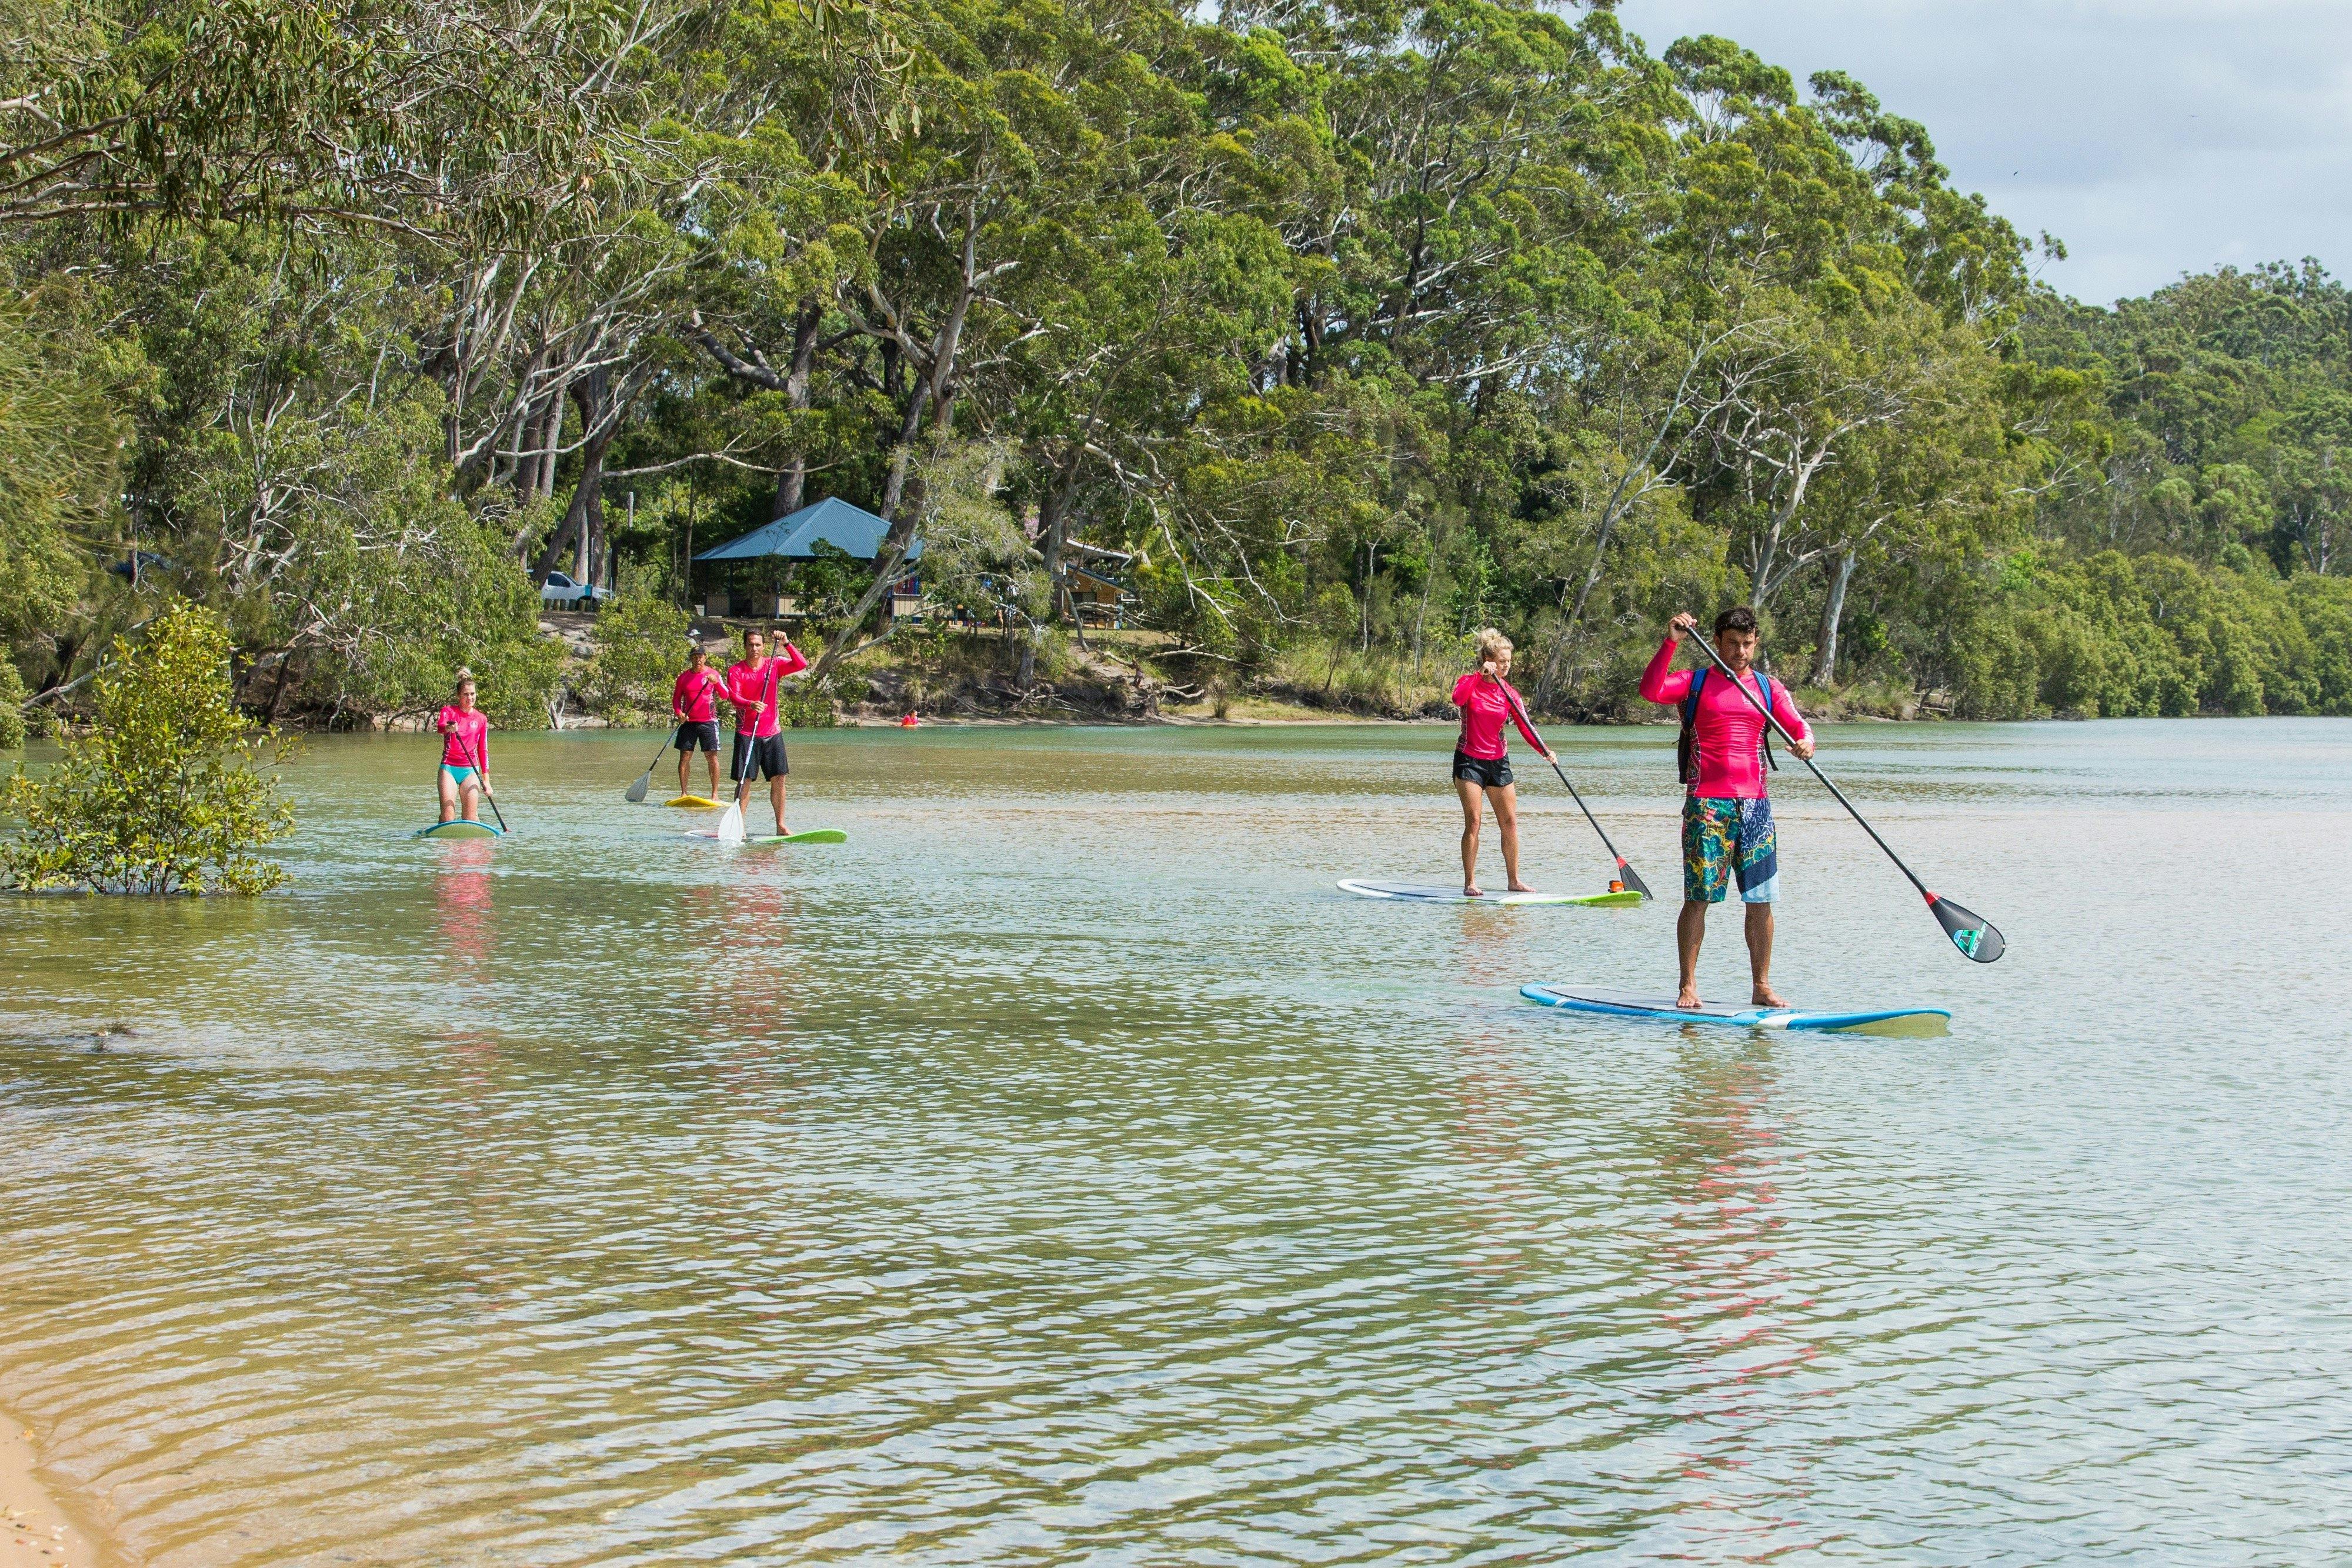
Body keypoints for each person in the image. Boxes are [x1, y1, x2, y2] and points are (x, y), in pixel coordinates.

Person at [1640, 607, 1816, 1010]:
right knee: (1698, 897)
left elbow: (1798, 726)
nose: (1740, 652)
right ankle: (1687, 985)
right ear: (1717, 641)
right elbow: (1651, 691)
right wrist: (1671, 641)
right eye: (1733, 643)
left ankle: (1761, 986)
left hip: (1756, 807)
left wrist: (1806, 743)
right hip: (1706, 805)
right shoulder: (1695, 683)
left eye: (1747, 644)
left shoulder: (1769, 688)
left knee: (1760, 899)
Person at [1450, 628, 1552, 898]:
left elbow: (1526, 727)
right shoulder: (1468, 683)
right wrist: (1478, 675)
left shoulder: (1510, 694)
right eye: (1501, 661)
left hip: (1498, 762)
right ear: (1488, 658)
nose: (1506, 666)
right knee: (1474, 821)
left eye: (1509, 662)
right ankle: (1470, 882)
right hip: (1469, 761)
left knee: (1510, 822)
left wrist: (1545, 751)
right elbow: (1457, 699)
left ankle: (1514, 880)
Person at [722, 627, 810, 835]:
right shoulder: (736, 671)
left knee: (780, 779)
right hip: (747, 734)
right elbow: (733, 697)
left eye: (758, 644)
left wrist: (787, 643)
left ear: (764, 647)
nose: (754, 648)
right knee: (745, 781)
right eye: (751, 644)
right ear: (745, 646)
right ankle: (739, 827)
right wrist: (750, 704)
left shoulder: (774, 665)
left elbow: (802, 664)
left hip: (772, 732)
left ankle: (780, 825)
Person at [433, 670, 491, 826]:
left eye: (473, 694)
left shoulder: (481, 719)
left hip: (470, 770)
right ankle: (443, 831)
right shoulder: (449, 711)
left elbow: (483, 751)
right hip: (449, 769)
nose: (470, 698)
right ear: (459, 696)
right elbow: (440, 727)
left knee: (470, 819)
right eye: (466, 694)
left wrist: (487, 781)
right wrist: (449, 729)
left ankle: (470, 844)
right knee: (448, 818)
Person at [670, 643, 726, 799]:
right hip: (688, 722)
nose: (697, 660)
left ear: (705, 658)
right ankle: (684, 793)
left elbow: (725, 695)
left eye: (700, 657)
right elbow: (676, 700)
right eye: (694, 658)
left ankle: (715, 794)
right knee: (685, 756)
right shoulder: (683, 678)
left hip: (708, 721)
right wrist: (679, 713)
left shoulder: (713, 674)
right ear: (691, 659)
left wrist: (715, 683)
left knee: (712, 757)